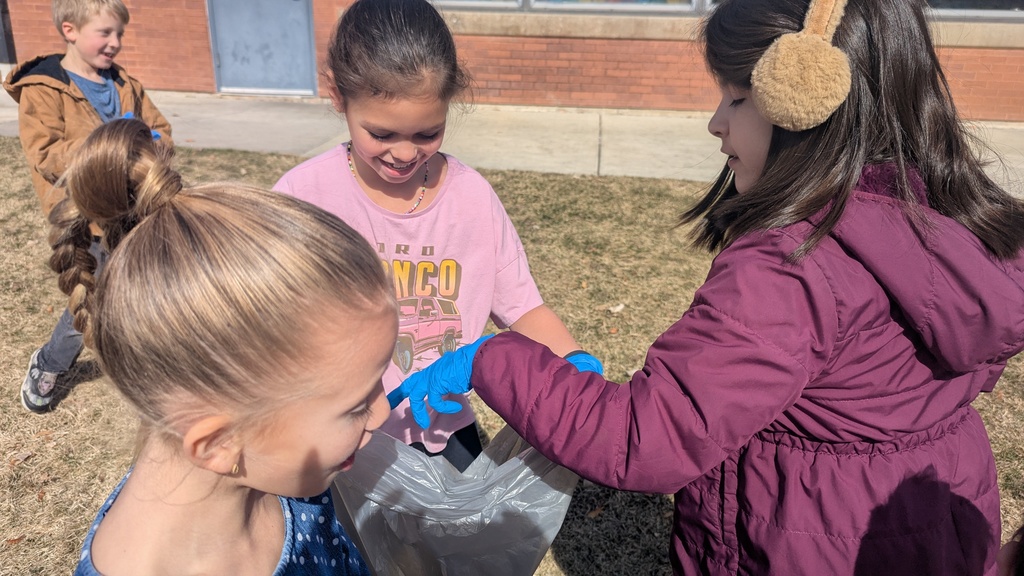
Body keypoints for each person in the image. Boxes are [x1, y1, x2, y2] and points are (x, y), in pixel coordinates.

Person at [393, 0, 1024, 573]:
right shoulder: (948, 218)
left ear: (805, 99)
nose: (716, 122)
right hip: (934, 519)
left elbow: (645, 437)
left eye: (737, 98)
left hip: (807, 540)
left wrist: (492, 359)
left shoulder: (793, 267)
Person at [50, 118, 388, 575]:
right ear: (219, 443)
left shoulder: (275, 470)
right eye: (355, 405)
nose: (383, 412)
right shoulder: (278, 465)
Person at [272, 0, 597, 472]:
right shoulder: (303, 197)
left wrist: (576, 366)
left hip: (445, 432)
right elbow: (267, 326)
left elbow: (523, 308)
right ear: (338, 96)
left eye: (428, 133)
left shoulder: (472, 199)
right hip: (340, 440)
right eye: (381, 133)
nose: (405, 153)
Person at [3, 0, 172, 413]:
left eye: (120, 34)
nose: (115, 43)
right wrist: (111, 149)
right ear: (69, 29)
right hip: (87, 219)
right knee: (92, 298)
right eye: (105, 33)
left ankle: (146, 362)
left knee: (140, 289)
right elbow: (45, 153)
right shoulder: (42, 89)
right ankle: (49, 363)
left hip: (134, 209)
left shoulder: (125, 83)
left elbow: (161, 130)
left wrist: (151, 145)